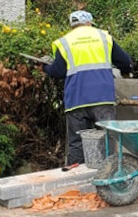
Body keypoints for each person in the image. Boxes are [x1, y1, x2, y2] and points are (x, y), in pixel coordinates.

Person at [43, 10, 132, 166]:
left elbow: (57, 72)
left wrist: (44, 67)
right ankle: (108, 177)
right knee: (107, 139)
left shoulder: (65, 42)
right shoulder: (104, 37)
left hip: (77, 100)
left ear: (72, 25)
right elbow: (125, 62)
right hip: (103, 98)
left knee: (77, 143)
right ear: (90, 23)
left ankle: (76, 181)